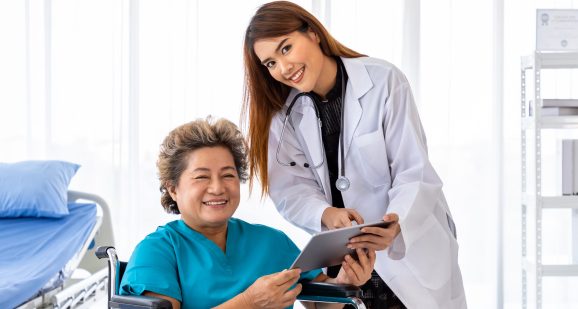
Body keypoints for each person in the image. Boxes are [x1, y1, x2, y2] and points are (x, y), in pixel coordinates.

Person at [242, 1, 467, 308]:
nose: (283, 68)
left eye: (286, 49)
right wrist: (325, 213)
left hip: (409, 249)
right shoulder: (285, 116)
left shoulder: (383, 81)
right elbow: (290, 189)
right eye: (270, 63)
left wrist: (395, 225)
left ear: (313, 34)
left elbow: (413, 171)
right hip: (350, 260)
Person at [119, 117, 376, 309]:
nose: (218, 188)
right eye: (202, 177)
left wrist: (345, 280)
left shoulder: (271, 243)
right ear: (173, 188)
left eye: (228, 175)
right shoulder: (158, 251)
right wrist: (249, 302)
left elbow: (320, 305)